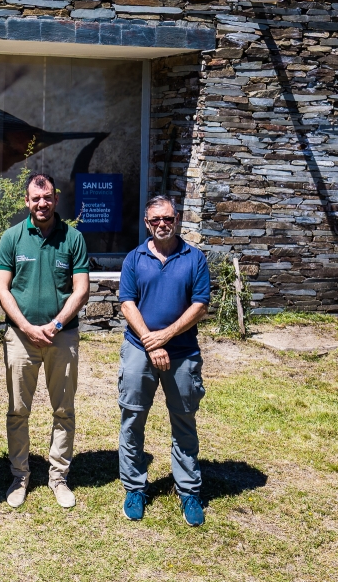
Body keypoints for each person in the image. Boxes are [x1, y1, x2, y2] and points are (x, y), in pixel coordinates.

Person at [0, 173, 90, 510]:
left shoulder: (73, 238)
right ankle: (20, 475)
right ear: (27, 201)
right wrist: (26, 326)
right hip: (21, 338)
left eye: (47, 197)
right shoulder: (12, 237)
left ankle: (58, 477)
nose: (42, 203)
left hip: (62, 337)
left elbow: (81, 289)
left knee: (63, 410)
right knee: (18, 410)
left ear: (55, 199)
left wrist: (56, 324)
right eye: (36, 198)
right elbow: (2, 287)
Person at [117, 195, 210, 527]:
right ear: (147, 223)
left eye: (167, 218)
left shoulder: (194, 258)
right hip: (138, 350)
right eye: (155, 219)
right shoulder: (134, 258)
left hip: (182, 353)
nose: (162, 224)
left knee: (184, 420)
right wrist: (150, 340)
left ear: (177, 219)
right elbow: (127, 303)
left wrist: (166, 336)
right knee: (132, 418)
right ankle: (134, 488)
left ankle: (188, 490)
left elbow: (200, 305)